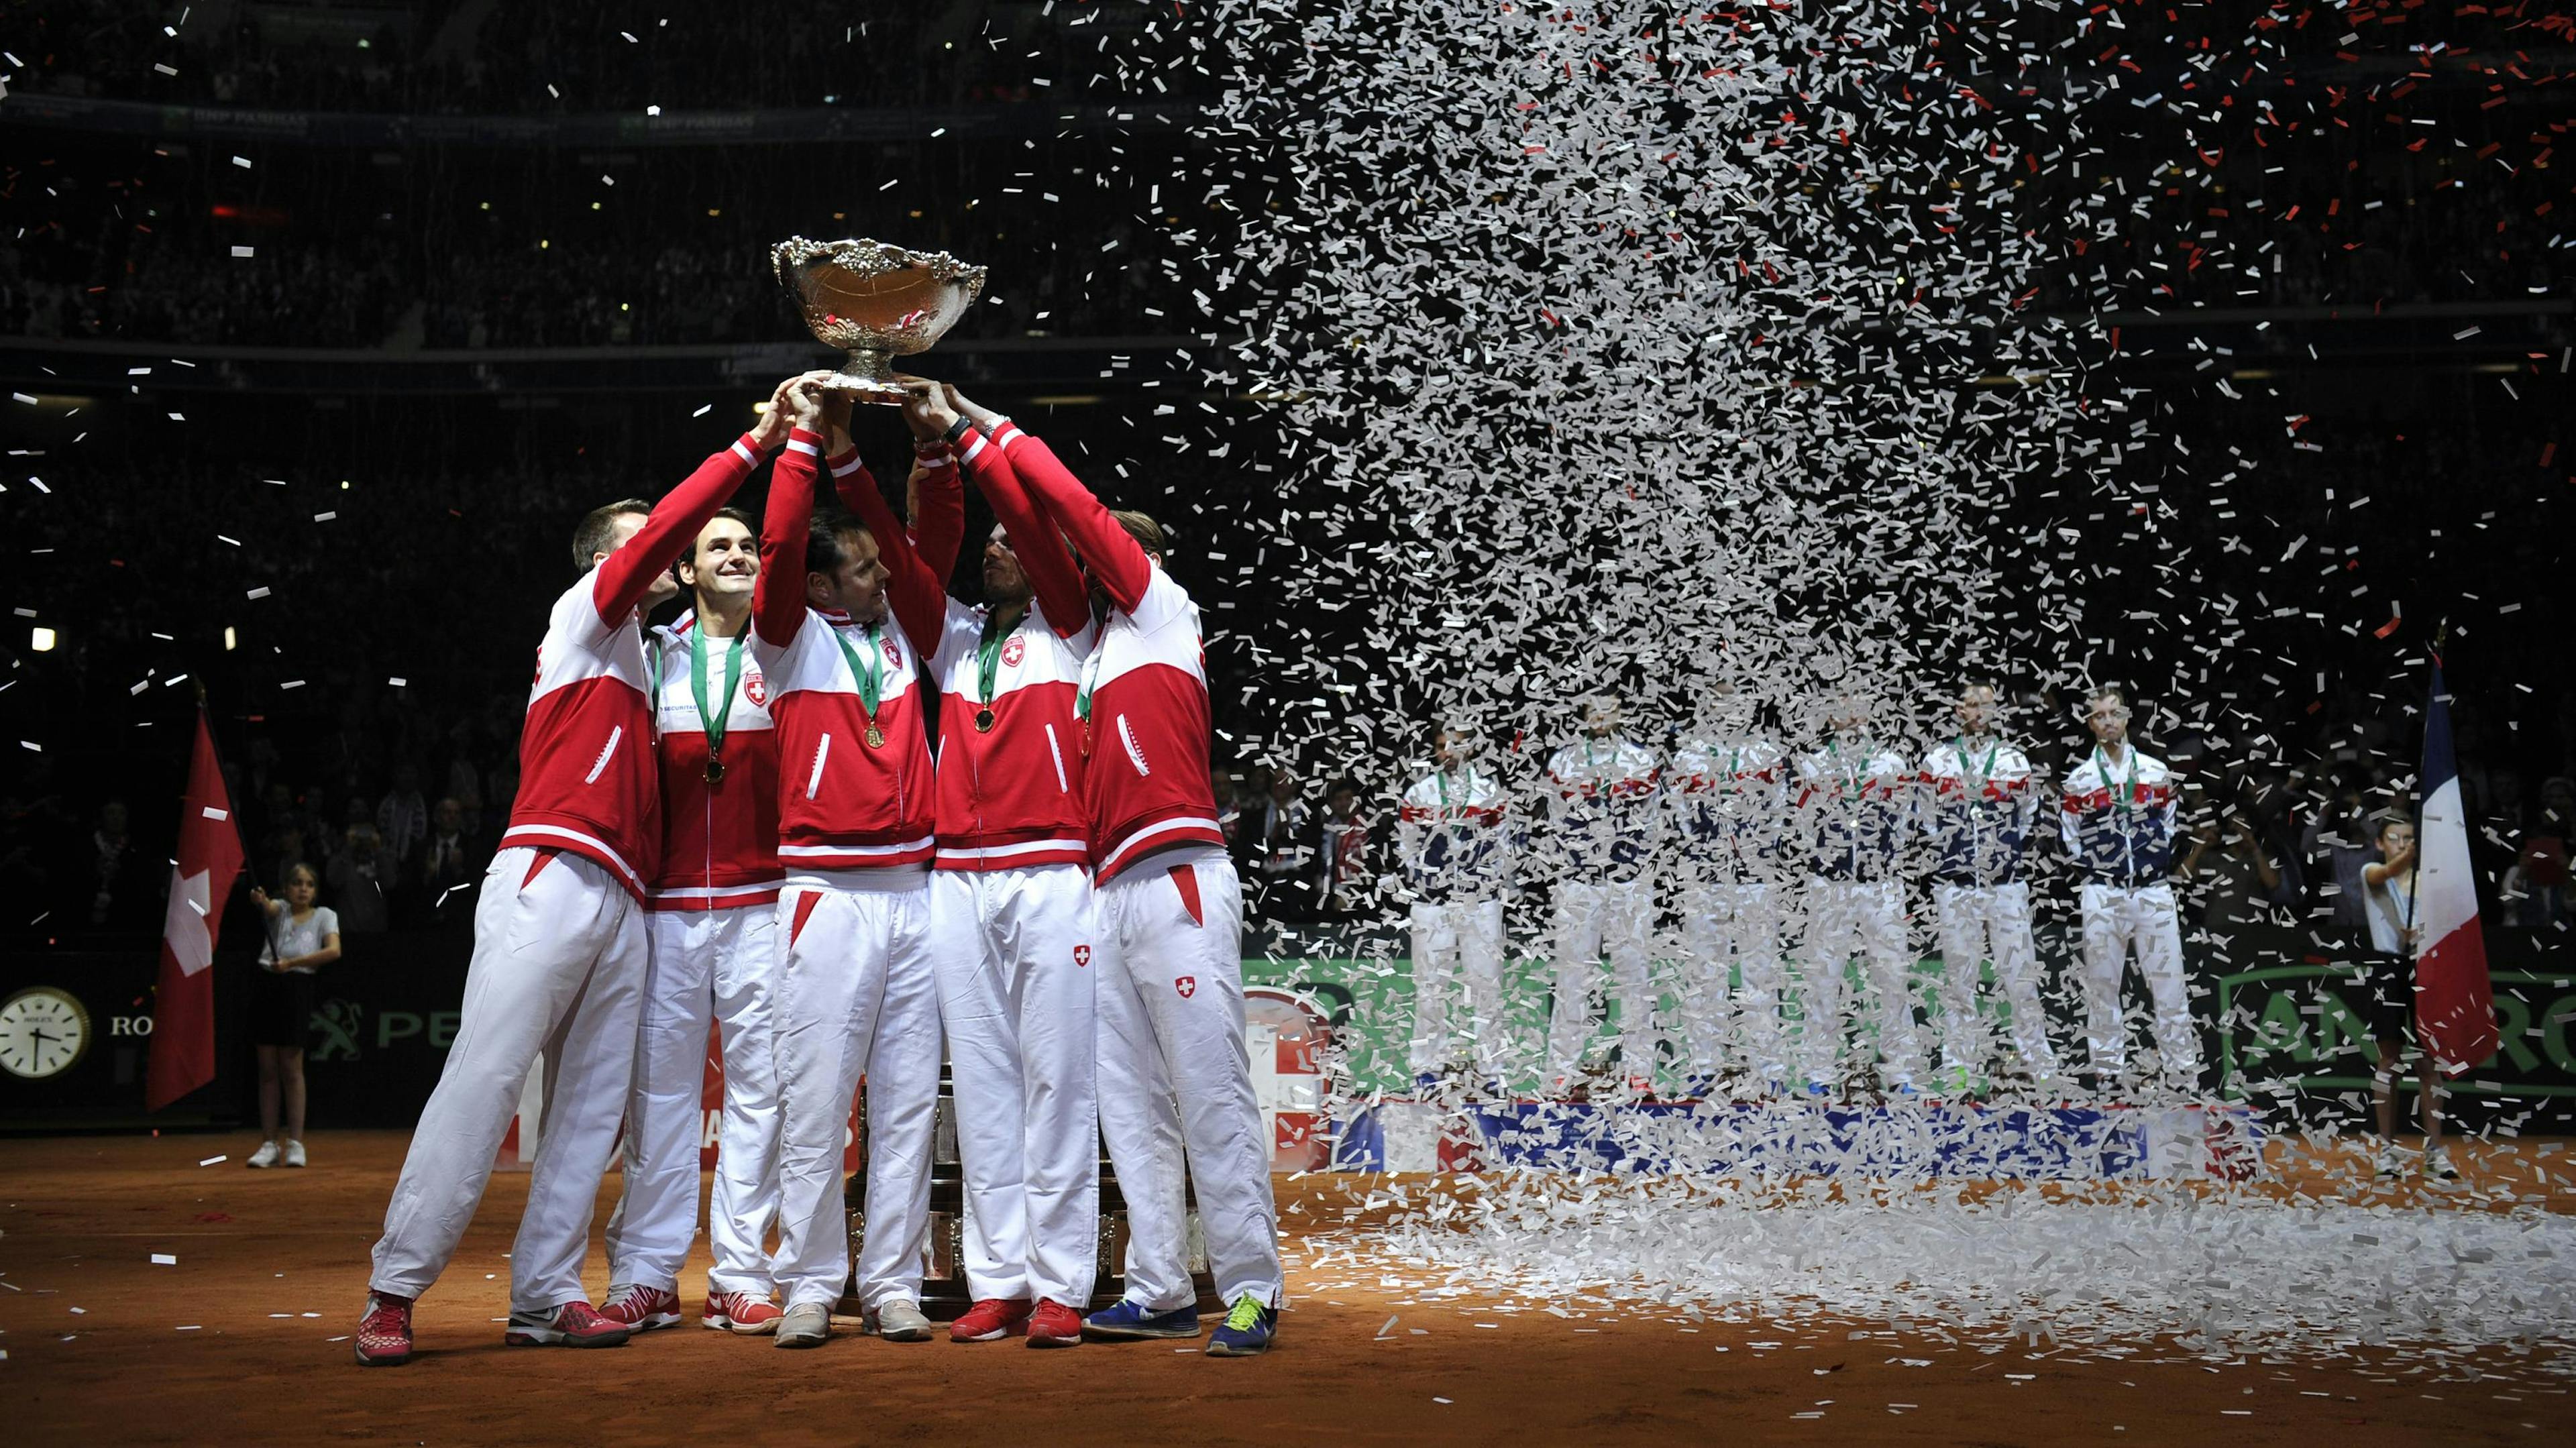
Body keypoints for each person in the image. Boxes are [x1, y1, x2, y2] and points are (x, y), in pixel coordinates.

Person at [354, 385, 796, 1368]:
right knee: (485, 1077)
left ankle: (546, 1292)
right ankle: (395, 1287)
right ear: (609, 559)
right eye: (650, 540)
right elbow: (664, 536)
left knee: (594, 1110)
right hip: (553, 867)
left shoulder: (652, 656)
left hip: (632, 898)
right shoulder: (582, 620)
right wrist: (753, 442)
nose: (673, 552)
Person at [956, 386, 1285, 1356]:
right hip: (1106, 888)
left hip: (1179, 874)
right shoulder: (1088, 651)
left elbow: (1077, 515)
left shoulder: (1166, 615)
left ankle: (1252, 1287)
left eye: (1106, 551)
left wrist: (990, 425)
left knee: (1208, 1087)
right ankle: (1159, 1282)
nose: (1091, 562)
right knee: (1127, 1100)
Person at [749, 378, 956, 1350]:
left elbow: (921, 537)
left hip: (915, 890)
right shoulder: (788, 643)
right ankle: (807, 1281)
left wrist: (851, 453)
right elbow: (783, 545)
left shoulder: (907, 635)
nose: (882, 575)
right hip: (826, 891)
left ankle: (894, 1282)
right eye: (862, 570)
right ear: (822, 588)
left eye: (881, 566)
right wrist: (797, 444)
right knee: (819, 1093)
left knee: (909, 1099)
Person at [906, 380, 1100, 1349]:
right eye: (986, 544)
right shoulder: (952, 638)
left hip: (1052, 870)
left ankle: (1064, 1281)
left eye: (1008, 542)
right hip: (956, 878)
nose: (994, 547)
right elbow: (913, 563)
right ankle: (1001, 1276)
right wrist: (925, 453)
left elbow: (1029, 515)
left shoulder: (1074, 630)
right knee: (980, 1081)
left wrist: (978, 441)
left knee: (1056, 1080)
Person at [596, 505, 789, 1337]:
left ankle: (740, 1270)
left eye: (750, 544)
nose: (739, 554)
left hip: (764, 904)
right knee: (660, 1093)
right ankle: (646, 1271)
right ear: (687, 569)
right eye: (720, 546)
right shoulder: (651, 657)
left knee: (760, 1093)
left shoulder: (790, 655)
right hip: (670, 906)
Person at [1919, 679, 2059, 1093]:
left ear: (1995, 711)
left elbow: (2027, 819)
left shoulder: (2016, 762)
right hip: (1956, 887)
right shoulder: (1937, 761)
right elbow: (1928, 821)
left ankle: (2039, 1065)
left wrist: (2001, 859)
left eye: (1985, 705)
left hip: (2006, 886)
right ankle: (1958, 1066)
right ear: (1958, 711)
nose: (1977, 711)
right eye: (1970, 704)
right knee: (1959, 980)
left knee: (2021, 978)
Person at [2059, 684, 2199, 1094]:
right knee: (2103, 986)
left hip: (2154, 891)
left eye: (2114, 713)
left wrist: (2152, 862)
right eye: (2100, 715)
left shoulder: (2157, 771)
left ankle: (2181, 1074)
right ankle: (2108, 1074)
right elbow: (2071, 839)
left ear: (2127, 717)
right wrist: (2100, 870)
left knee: (2170, 983)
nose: (2108, 721)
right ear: (2090, 724)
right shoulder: (2079, 781)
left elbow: (2170, 827)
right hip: (2102, 892)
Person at [1664, 687, 1788, 1094]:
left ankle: (1768, 1071)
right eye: (1720, 700)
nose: (1729, 708)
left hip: (1756, 880)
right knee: (1705, 977)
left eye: (1736, 701)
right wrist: (1703, 852)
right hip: (1706, 879)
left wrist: (1759, 854)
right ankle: (1704, 1068)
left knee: (1761, 976)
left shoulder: (1768, 755)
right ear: (1707, 706)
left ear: (1750, 706)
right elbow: (1680, 813)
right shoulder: (1689, 756)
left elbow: (1780, 811)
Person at [1539, 697, 1664, 1096]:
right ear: (1582, 715)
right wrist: (1571, 867)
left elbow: (1654, 820)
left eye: (1609, 709)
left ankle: (1640, 1071)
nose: (1601, 717)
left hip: (1628, 884)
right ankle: (1561, 1071)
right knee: (1572, 978)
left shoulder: (1641, 762)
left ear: (1621, 714)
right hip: (1579, 884)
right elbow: (1553, 820)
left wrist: (1637, 868)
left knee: (1635, 979)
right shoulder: (1563, 763)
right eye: (1594, 710)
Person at [1396, 722, 1514, 1093]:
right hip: (1433, 905)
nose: (1448, 752)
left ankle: (1491, 1071)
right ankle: (1427, 1069)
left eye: (1456, 744)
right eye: (1442, 745)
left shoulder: (1490, 792)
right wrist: (1429, 886)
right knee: (1431, 988)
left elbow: (1503, 845)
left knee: (1487, 987)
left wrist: (1485, 885)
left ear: (1472, 748)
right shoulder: (1420, 793)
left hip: (1480, 903)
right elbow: (1407, 848)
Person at [2358, 814, 2455, 1180]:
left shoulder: (2426, 883)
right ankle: (2387, 1149)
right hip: (2387, 967)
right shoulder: (2371, 872)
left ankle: (2435, 1150)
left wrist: (2424, 934)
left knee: (2428, 1060)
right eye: (2396, 838)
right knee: (2389, 1059)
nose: (2403, 843)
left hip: (2423, 967)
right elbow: (2384, 874)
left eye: (2409, 838)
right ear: (2382, 844)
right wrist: (2410, 856)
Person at [246, 864, 339, 1169]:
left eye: (309, 884)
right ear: (286, 888)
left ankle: (296, 1143)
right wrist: (261, 900)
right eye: (297, 883)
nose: (303, 889)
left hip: (297, 986)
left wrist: (292, 963)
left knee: (291, 1067)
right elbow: (269, 906)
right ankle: (269, 1143)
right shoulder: (281, 910)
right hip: (268, 985)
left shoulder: (325, 915)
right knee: (267, 1069)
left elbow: (333, 951)